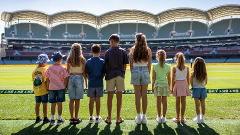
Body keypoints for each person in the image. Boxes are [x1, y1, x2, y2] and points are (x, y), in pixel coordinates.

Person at [104, 34, 129, 124]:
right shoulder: (123, 51)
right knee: (119, 97)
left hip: (110, 74)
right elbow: (125, 65)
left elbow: (106, 66)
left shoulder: (107, 52)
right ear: (118, 42)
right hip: (120, 74)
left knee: (109, 97)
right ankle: (118, 118)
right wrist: (122, 73)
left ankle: (109, 118)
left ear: (111, 42)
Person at [130, 33, 152, 124]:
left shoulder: (132, 49)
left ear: (136, 40)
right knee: (144, 95)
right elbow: (149, 64)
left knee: (137, 95)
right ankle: (144, 117)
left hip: (135, 70)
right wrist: (147, 73)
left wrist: (133, 72)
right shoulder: (148, 50)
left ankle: (138, 117)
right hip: (145, 70)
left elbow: (131, 65)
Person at [44, 51, 69, 125]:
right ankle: (59, 119)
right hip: (61, 87)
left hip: (51, 88)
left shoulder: (49, 68)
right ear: (60, 59)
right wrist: (65, 86)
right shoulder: (63, 68)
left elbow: (47, 79)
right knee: (60, 103)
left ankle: (52, 119)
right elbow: (66, 78)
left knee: (53, 104)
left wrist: (48, 88)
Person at [66, 43, 87, 124]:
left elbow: (67, 72)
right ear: (80, 50)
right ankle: (76, 117)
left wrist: (66, 83)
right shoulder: (82, 59)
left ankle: (72, 118)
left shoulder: (69, 59)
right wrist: (85, 82)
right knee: (77, 99)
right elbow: (84, 72)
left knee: (71, 99)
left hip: (71, 78)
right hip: (79, 78)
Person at [86, 44, 105, 123]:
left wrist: (90, 79)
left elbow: (87, 74)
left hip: (91, 83)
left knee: (91, 100)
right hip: (99, 83)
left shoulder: (88, 61)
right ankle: (97, 117)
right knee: (98, 100)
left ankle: (91, 117)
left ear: (91, 52)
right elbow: (104, 73)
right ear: (100, 51)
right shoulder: (102, 61)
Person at [152, 50, 171, 123]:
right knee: (164, 102)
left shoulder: (154, 66)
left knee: (158, 102)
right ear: (165, 57)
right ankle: (164, 117)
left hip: (157, 85)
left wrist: (152, 86)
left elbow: (153, 77)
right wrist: (169, 86)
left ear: (157, 57)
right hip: (165, 85)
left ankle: (159, 117)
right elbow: (169, 78)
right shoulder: (168, 66)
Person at [171, 52, 191, 123]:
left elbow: (173, 79)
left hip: (177, 84)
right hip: (184, 84)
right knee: (183, 102)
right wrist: (187, 87)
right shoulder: (187, 68)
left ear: (176, 59)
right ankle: (182, 118)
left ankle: (177, 118)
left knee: (177, 102)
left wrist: (172, 88)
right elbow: (188, 79)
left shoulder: (174, 68)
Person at [32, 54, 51, 124]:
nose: (47, 63)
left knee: (37, 103)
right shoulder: (45, 70)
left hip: (37, 90)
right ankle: (45, 118)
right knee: (45, 104)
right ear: (43, 62)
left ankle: (37, 117)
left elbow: (33, 80)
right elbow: (46, 81)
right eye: (46, 62)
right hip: (43, 90)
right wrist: (48, 90)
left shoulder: (34, 70)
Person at [190, 57, 208, 124]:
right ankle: (202, 118)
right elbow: (206, 82)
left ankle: (198, 119)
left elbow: (191, 83)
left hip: (196, 89)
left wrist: (194, 86)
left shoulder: (193, 73)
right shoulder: (205, 73)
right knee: (203, 104)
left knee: (197, 105)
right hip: (203, 89)